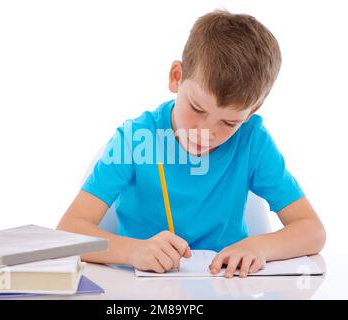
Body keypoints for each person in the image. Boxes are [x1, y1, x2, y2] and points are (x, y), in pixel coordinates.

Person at [57, 9, 325, 278]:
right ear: (176, 77)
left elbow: (312, 230)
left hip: (228, 288)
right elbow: (68, 231)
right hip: (144, 290)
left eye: (229, 123)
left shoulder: (252, 142)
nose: (205, 132)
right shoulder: (135, 140)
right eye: (197, 108)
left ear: (251, 111)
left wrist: (259, 246)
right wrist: (133, 251)